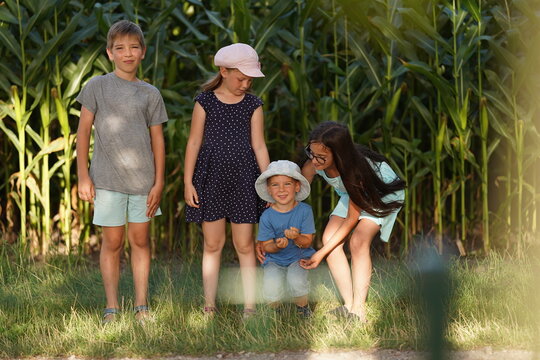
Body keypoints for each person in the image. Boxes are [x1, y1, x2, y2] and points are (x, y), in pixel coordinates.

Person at [76, 20, 167, 324]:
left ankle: (141, 306)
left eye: (133, 47)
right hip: (106, 180)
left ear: (142, 52)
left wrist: (159, 182)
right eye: (120, 48)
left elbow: (157, 140)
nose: (127, 53)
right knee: (112, 243)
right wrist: (83, 176)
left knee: (140, 241)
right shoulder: (96, 87)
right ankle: (112, 307)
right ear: (109, 52)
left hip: (143, 183)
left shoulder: (150, 93)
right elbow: (83, 132)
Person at [183, 43, 269, 318]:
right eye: (240, 78)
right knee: (212, 244)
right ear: (223, 71)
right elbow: (194, 142)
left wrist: (266, 184)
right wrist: (188, 182)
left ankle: (250, 307)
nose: (245, 84)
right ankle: (209, 306)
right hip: (211, 180)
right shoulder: (204, 102)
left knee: (244, 245)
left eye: (249, 80)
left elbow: (260, 147)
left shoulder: (253, 105)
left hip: (245, 181)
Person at [299, 121, 405, 322]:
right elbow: (298, 191)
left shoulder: (354, 170)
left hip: (381, 193)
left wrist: (319, 254)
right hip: (350, 194)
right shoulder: (313, 162)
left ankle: (359, 308)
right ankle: (348, 305)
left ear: (339, 155)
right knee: (329, 238)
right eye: (311, 153)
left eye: (321, 157)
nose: (314, 160)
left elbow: (350, 220)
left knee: (358, 241)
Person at [254, 160, 316, 318]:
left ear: (297, 187)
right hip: (275, 259)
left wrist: (297, 237)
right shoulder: (267, 216)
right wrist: (276, 246)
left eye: (287, 184)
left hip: (299, 258)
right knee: (271, 288)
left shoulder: (305, 211)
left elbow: (308, 241)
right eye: (275, 185)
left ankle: (303, 310)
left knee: (296, 280)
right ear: (268, 189)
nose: (281, 189)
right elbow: (266, 246)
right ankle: (277, 312)